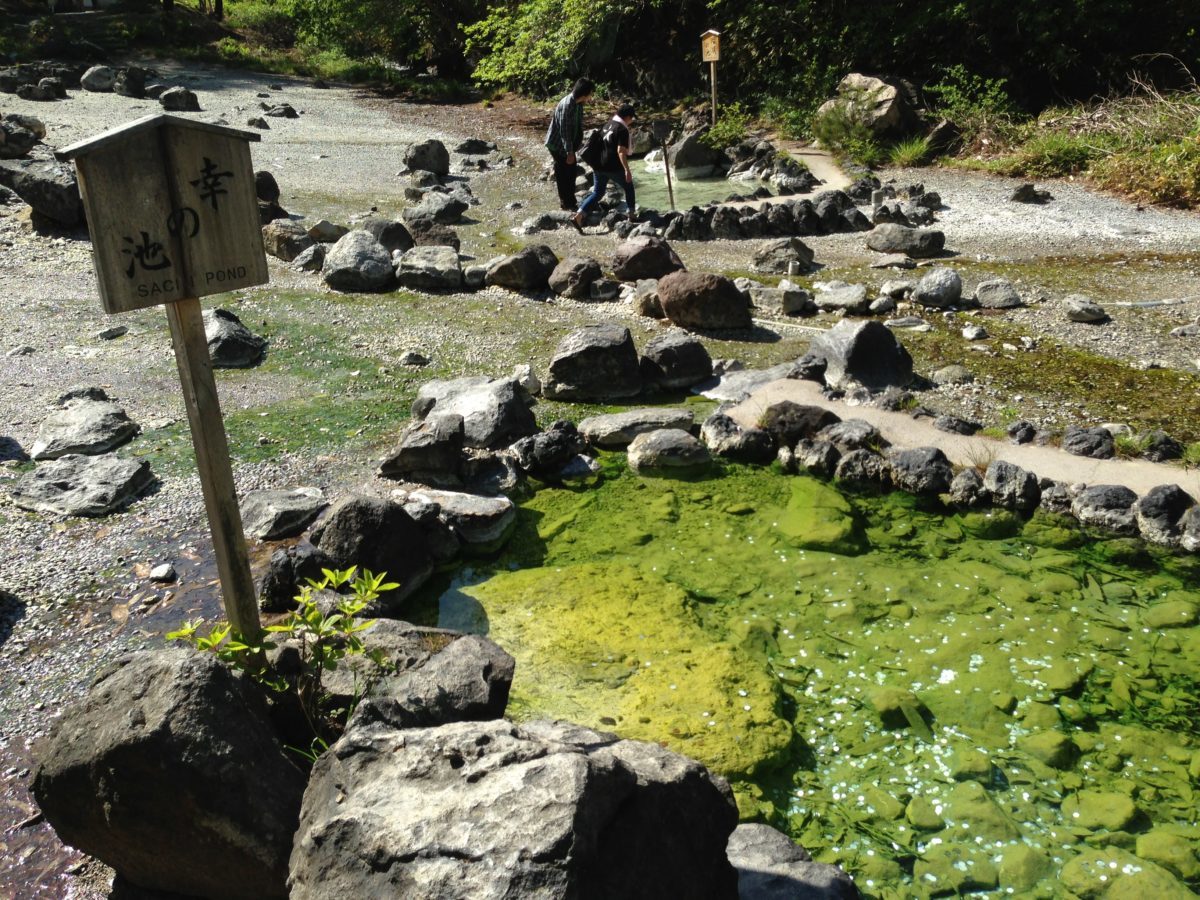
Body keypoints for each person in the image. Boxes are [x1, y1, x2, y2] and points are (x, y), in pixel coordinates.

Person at [573, 103, 637, 228]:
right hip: (612, 166)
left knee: (597, 192)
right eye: (631, 118)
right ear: (627, 117)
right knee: (629, 186)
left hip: (598, 165)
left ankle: (579, 215)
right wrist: (627, 170)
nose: (631, 121)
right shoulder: (622, 129)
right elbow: (620, 151)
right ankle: (631, 214)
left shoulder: (608, 124)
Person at [545, 77, 594, 212]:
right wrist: (570, 152)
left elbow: (577, 126)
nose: (591, 96)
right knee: (563, 173)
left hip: (568, 144)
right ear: (584, 94)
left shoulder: (579, 104)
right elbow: (564, 132)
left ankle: (570, 201)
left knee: (571, 171)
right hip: (557, 144)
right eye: (590, 93)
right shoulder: (567, 105)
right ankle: (566, 204)